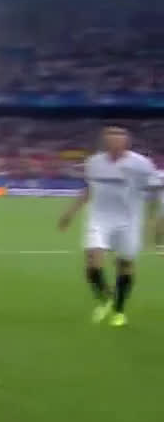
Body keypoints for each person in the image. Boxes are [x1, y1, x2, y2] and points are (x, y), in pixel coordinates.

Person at [57, 126, 161, 326]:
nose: (115, 140)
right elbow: (90, 188)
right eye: (111, 137)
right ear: (105, 141)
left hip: (129, 220)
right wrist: (70, 213)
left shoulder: (141, 164)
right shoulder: (94, 163)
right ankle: (106, 298)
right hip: (99, 218)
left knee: (125, 264)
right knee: (92, 261)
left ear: (127, 141)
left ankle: (119, 311)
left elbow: (155, 189)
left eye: (119, 136)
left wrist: (152, 217)